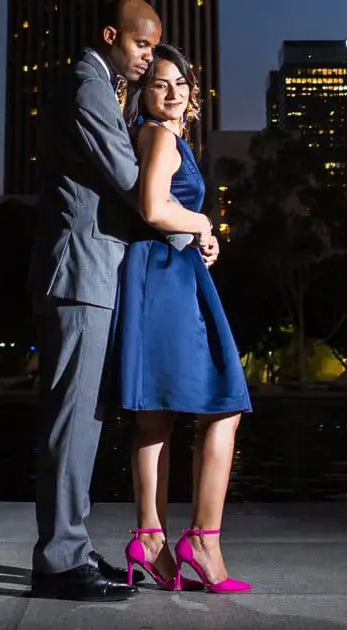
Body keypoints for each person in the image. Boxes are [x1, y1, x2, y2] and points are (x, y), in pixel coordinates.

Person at [27, 0, 190, 601]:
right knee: (72, 421)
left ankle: (69, 543)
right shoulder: (87, 87)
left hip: (94, 274)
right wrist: (192, 228)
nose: (149, 58)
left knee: (85, 419)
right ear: (110, 36)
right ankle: (59, 559)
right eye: (142, 45)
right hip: (79, 276)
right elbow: (129, 177)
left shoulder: (105, 88)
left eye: (154, 47)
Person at [109, 43, 252, 594]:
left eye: (181, 84)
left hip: (161, 272)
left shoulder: (162, 137)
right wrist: (204, 223)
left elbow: (159, 213)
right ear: (142, 95)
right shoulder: (161, 136)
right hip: (167, 281)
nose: (172, 93)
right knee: (224, 405)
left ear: (194, 93)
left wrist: (198, 235)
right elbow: (153, 206)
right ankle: (203, 541)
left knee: (156, 416)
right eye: (159, 84)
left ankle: (150, 538)